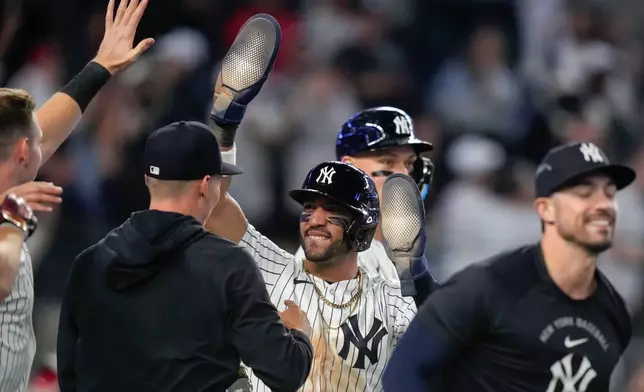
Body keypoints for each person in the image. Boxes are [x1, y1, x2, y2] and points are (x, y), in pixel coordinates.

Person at [56, 121, 314, 392]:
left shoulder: (89, 262)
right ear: (205, 185)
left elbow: (69, 373)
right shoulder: (227, 265)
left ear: (148, 179)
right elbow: (285, 371)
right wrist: (299, 334)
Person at [382, 141, 637, 392]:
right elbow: (404, 371)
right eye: (583, 193)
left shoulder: (612, 308)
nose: (602, 204)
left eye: (609, 193)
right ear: (546, 210)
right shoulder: (484, 288)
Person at [0, 0, 154, 389]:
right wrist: (13, 216)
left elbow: (47, 127)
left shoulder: (16, 160)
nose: (47, 146)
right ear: (22, 152)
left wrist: (101, 66)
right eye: (37, 145)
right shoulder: (11, 209)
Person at [293, 107, 436, 292]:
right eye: (387, 162)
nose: (404, 175)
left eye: (409, 163)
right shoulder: (331, 252)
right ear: (349, 168)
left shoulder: (391, 250)